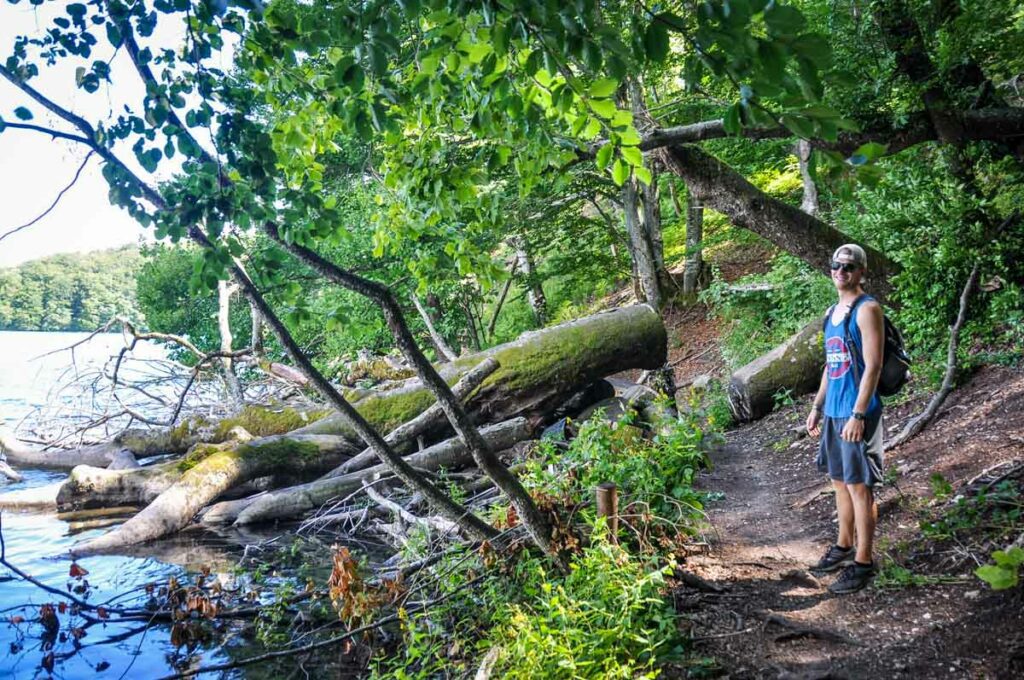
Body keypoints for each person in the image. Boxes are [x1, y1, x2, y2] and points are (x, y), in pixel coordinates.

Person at [806, 243, 885, 594]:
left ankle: (864, 561)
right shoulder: (832, 312)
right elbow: (831, 364)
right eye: (836, 266)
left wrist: (858, 413)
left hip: (857, 412)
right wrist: (817, 407)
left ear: (860, 271)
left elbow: (874, 365)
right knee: (839, 481)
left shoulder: (867, 310)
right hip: (835, 411)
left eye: (849, 267)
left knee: (859, 486)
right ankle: (843, 545)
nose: (841, 271)